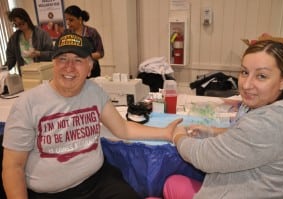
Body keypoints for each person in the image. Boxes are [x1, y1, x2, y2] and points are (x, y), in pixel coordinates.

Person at [2, 33, 182, 199]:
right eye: (62, 59)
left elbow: (123, 128)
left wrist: (165, 132)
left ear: (89, 67)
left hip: (97, 183)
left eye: (78, 60)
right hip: (49, 194)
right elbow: (13, 168)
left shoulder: (94, 91)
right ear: (53, 64)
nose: (69, 67)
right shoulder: (28, 104)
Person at [160, 40, 283, 199]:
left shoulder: (271, 124)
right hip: (244, 188)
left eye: (261, 76)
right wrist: (212, 132)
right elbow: (244, 136)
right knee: (172, 183)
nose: (246, 85)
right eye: (245, 72)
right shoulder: (282, 107)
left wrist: (178, 135)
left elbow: (203, 157)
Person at [5, 8, 53, 75]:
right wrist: (3, 69)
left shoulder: (41, 34)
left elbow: (52, 54)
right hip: (25, 75)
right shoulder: (14, 38)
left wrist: (39, 53)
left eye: (22, 23)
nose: (20, 27)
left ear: (26, 19)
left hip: (42, 74)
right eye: (16, 25)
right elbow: (11, 59)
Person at [64, 5, 104, 78]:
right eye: (66, 20)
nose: (68, 23)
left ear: (80, 19)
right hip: (73, 71)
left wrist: (84, 56)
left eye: (71, 20)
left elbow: (100, 53)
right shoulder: (66, 34)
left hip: (92, 72)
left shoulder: (91, 32)